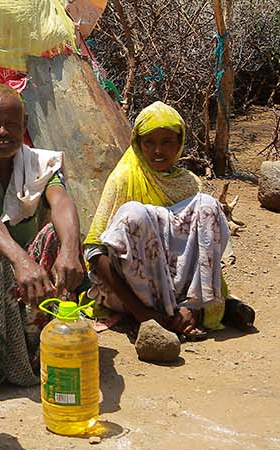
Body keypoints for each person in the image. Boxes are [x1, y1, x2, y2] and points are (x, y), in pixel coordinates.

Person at [0, 85, 84, 390]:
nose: (2, 132)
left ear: (26, 124)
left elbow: (61, 202)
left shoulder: (41, 165)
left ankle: (42, 341)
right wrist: (20, 259)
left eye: (12, 124)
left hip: (25, 271)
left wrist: (70, 251)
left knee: (61, 236)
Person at [83, 102, 251, 340]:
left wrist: (192, 303)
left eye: (167, 142)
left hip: (180, 291)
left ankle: (189, 309)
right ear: (138, 143)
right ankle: (161, 316)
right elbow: (94, 251)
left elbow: (200, 250)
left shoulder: (189, 184)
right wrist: (142, 313)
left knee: (208, 205)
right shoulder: (123, 179)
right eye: (149, 142)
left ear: (180, 143)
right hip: (132, 295)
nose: (158, 151)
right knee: (134, 213)